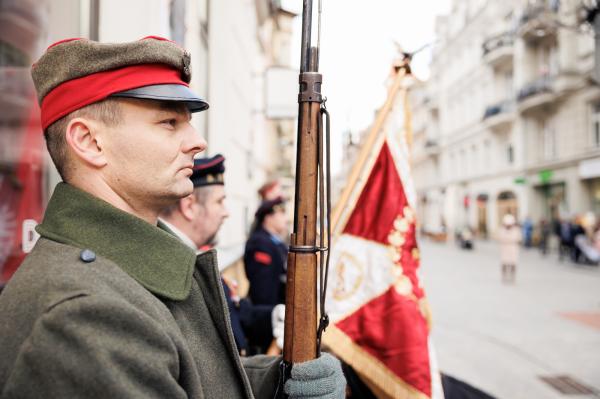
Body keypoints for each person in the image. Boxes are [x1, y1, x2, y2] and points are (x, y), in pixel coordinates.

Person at [0, 37, 345, 398]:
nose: (197, 141)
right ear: (88, 141)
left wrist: (277, 382)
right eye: (168, 121)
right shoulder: (85, 314)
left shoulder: (129, 273)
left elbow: (189, 372)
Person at [159, 154, 284, 356]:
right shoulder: (171, 267)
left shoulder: (193, 258)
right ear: (189, 206)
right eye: (219, 202)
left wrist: (276, 316)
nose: (226, 213)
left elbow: (233, 314)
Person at [245, 197, 289, 308]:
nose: (286, 219)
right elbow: (263, 291)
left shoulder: (276, 242)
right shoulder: (260, 244)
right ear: (268, 218)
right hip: (268, 312)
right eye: (282, 213)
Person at [498, 214, 521, 283]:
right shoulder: (502, 230)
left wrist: (509, 240)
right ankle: (504, 276)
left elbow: (518, 238)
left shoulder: (516, 230)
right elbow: (500, 238)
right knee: (504, 263)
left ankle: (512, 276)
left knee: (513, 263)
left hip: (513, 248)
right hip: (505, 248)